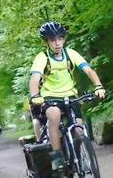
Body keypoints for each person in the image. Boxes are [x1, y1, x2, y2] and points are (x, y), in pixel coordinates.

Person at [29, 21, 106, 170]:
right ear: (46, 42)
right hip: (50, 97)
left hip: (71, 96)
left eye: (60, 39)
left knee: (78, 129)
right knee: (54, 116)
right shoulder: (42, 57)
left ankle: (80, 156)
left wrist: (98, 86)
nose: (57, 43)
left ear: (63, 39)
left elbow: (89, 70)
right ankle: (57, 156)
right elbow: (34, 78)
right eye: (52, 40)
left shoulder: (70, 54)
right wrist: (35, 95)